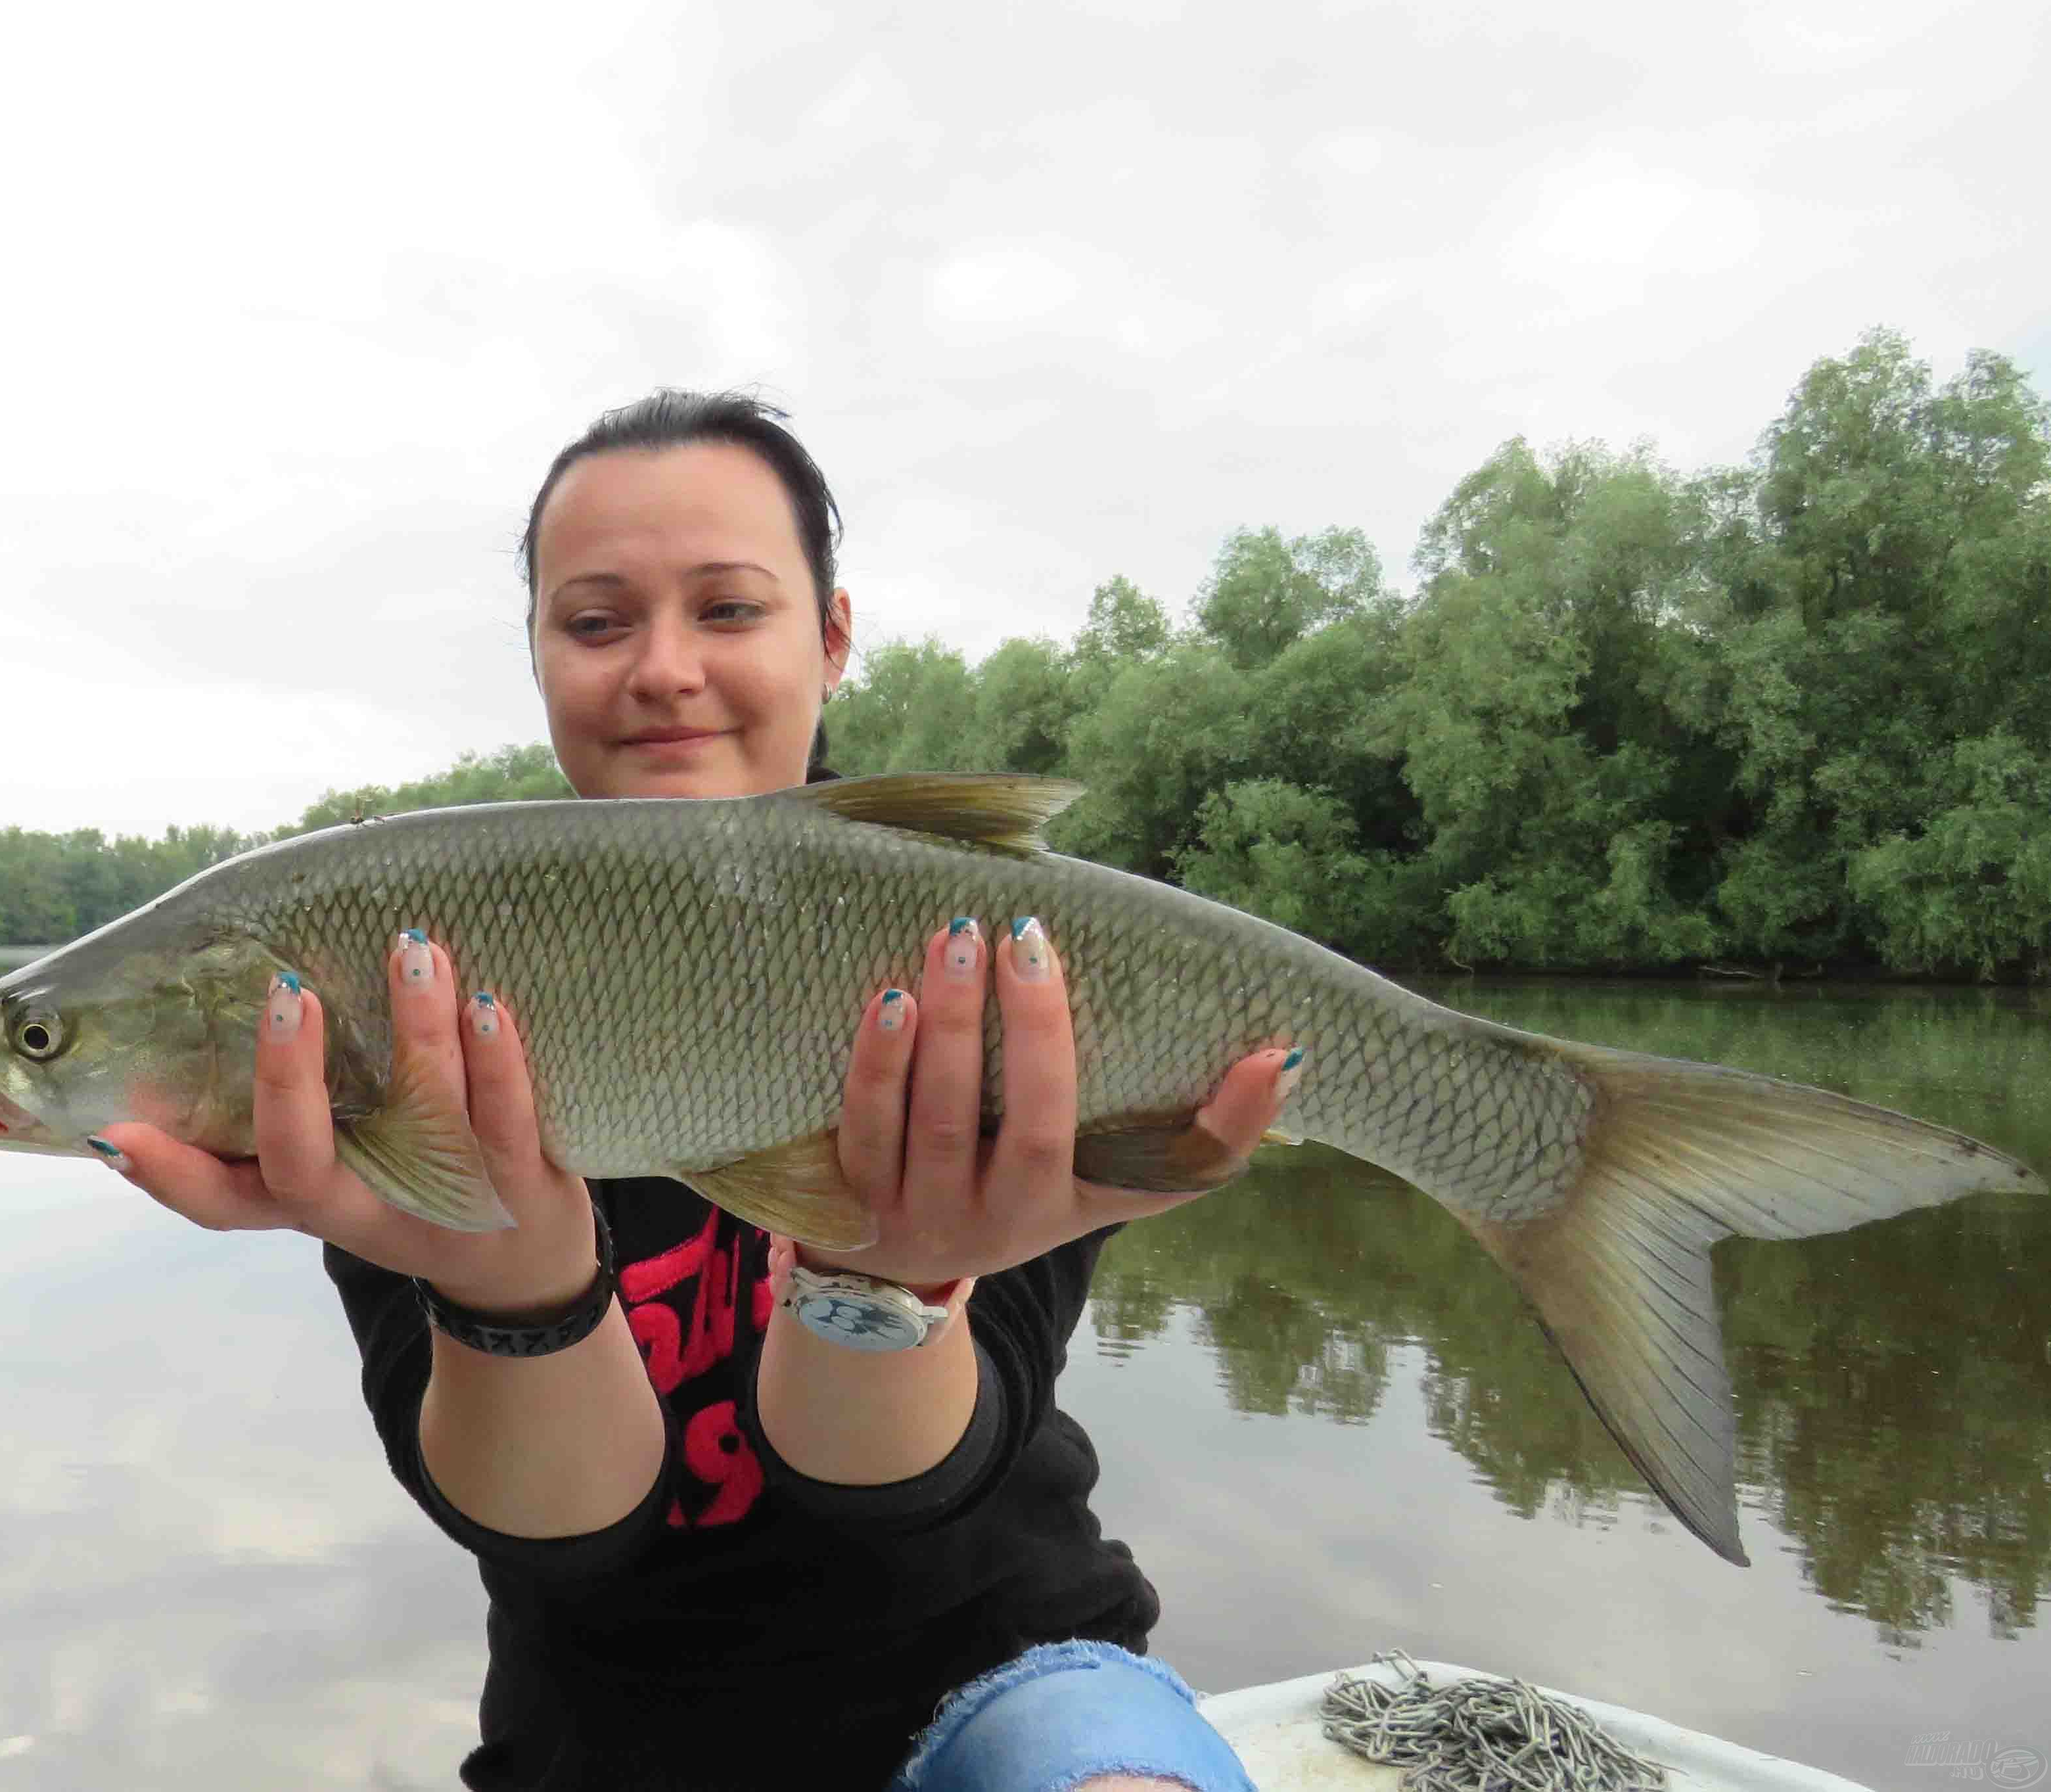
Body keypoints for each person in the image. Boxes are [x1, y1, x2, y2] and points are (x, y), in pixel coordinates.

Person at [96, 392, 1295, 1792]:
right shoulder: (403, 979)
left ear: (832, 637)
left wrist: (883, 1275)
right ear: (540, 656)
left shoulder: (979, 961)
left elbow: (901, 1490)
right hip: (601, 1743)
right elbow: (562, 1526)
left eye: (728, 609)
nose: (663, 670)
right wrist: (516, 1287)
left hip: (1015, 1672)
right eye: (596, 622)